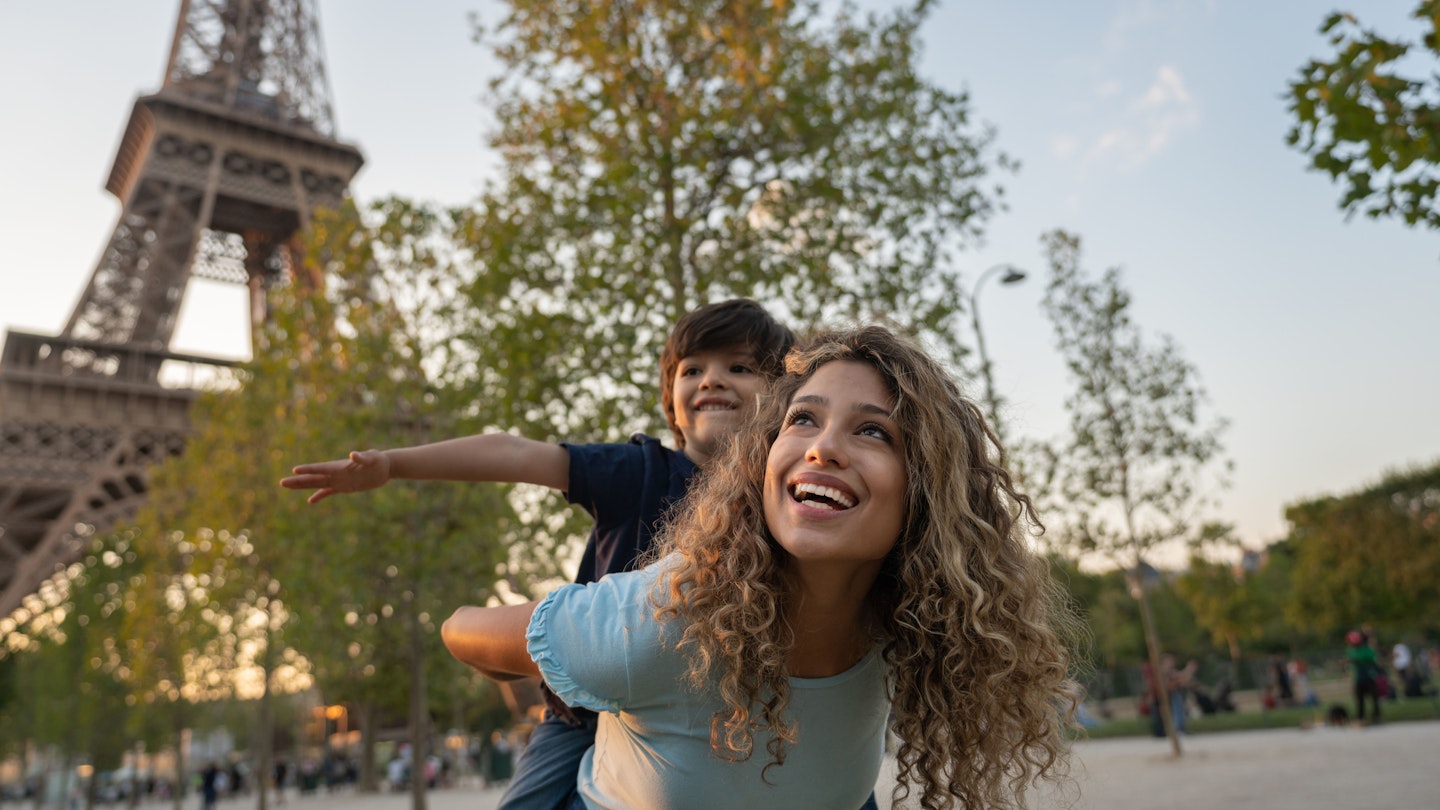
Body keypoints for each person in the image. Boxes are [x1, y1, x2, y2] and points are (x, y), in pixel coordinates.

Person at [442, 326, 1080, 809]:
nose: (823, 448)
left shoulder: (920, 629)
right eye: (804, 418)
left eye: (874, 433)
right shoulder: (661, 619)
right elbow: (460, 628)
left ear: (930, 494)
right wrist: (575, 683)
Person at [282, 299, 795, 810]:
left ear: (780, 398)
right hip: (588, 712)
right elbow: (514, 452)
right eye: (693, 369)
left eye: (739, 367)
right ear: (670, 400)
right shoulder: (636, 471)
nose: (711, 380)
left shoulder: (786, 498)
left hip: (715, 710)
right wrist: (392, 464)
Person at [1346, 629, 1382, 724]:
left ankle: (1376, 716)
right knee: (1359, 699)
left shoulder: (1366, 649)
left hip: (1369, 676)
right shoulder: (1352, 650)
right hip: (1359, 678)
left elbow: (1372, 658)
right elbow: (1351, 659)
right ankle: (1360, 716)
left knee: (1374, 697)